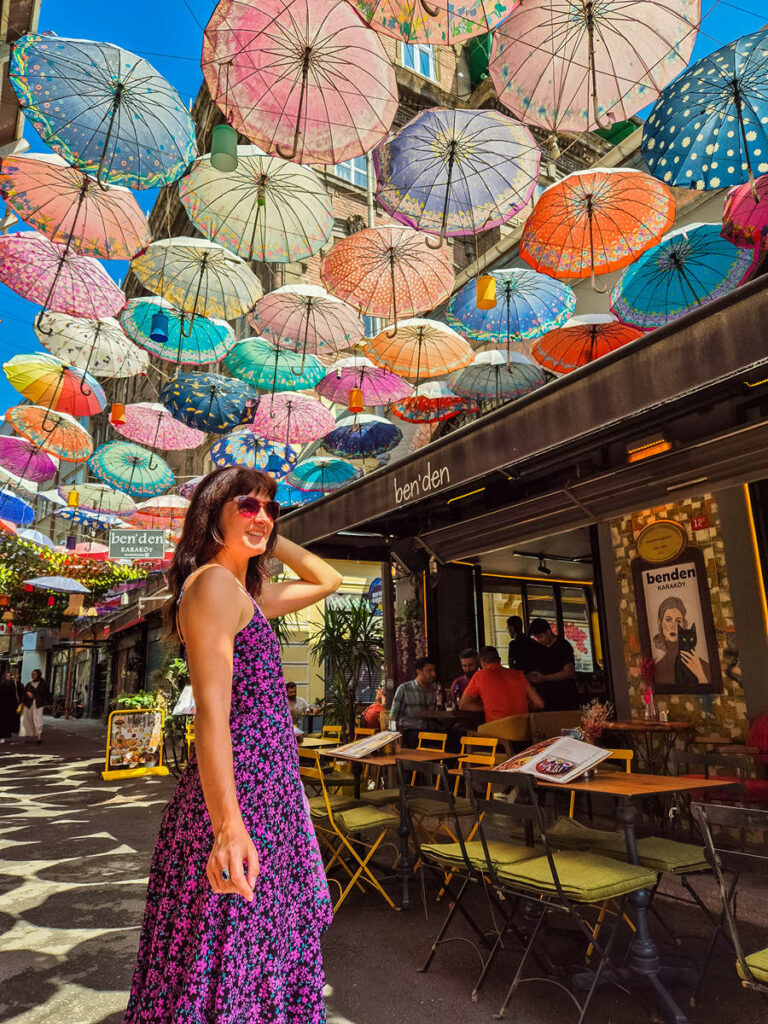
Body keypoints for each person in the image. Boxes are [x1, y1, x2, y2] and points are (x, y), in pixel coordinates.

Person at [124, 466, 342, 1023]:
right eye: (247, 505)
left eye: (271, 508)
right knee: (232, 956)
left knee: (244, 953)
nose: (262, 515)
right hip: (242, 797)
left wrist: (267, 532)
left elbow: (327, 579)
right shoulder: (217, 586)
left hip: (264, 795)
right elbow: (212, 719)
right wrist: (228, 825)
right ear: (212, 513)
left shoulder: (241, 592)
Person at [460, 646, 544, 723]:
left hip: (497, 730)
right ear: (499, 660)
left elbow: (463, 704)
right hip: (523, 729)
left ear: (482, 663)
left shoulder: (479, 676)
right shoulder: (519, 675)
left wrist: (488, 706)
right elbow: (539, 704)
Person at [652, 596, 710, 690]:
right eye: (668, 619)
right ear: (659, 622)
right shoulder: (657, 668)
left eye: (678, 621)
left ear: (683, 624)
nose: (673, 626)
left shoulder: (703, 666)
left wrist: (700, 675)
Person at [527, 618, 580, 711]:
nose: (538, 640)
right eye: (536, 638)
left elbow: (569, 672)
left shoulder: (563, 646)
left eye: (540, 636)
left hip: (563, 696)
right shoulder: (539, 648)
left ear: (548, 632)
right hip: (546, 697)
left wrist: (544, 678)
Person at [389, 657, 437, 748]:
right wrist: (393, 737)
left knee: (452, 738)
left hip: (430, 730)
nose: (433, 674)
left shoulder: (435, 689)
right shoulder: (404, 689)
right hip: (410, 731)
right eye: (429, 671)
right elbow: (393, 716)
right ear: (419, 672)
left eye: (434, 670)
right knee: (417, 738)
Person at [19, 669, 51, 744]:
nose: (33, 676)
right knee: (27, 719)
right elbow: (23, 693)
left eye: (34, 674)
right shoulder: (29, 684)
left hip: (38, 704)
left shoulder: (42, 684)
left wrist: (36, 695)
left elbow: (46, 694)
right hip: (29, 704)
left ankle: (39, 736)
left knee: (38, 719)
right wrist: (27, 694)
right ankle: (27, 734)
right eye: (32, 674)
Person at [0, 670, 18, 744]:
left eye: (9, 676)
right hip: (2, 705)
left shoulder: (12, 684)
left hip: (9, 707)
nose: (8, 677)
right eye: (7, 676)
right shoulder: (2, 684)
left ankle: (3, 736)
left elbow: (14, 694)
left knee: (6, 722)